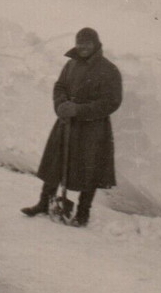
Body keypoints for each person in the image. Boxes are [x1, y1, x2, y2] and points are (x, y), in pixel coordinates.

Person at [22, 28, 122, 227]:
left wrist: (79, 110)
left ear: (96, 44)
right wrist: (61, 105)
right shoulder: (70, 64)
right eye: (79, 43)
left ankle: (83, 213)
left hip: (92, 129)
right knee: (55, 162)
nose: (82, 47)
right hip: (66, 123)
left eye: (87, 43)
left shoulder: (109, 70)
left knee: (89, 169)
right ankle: (44, 203)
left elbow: (112, 102)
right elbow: (59, 86)